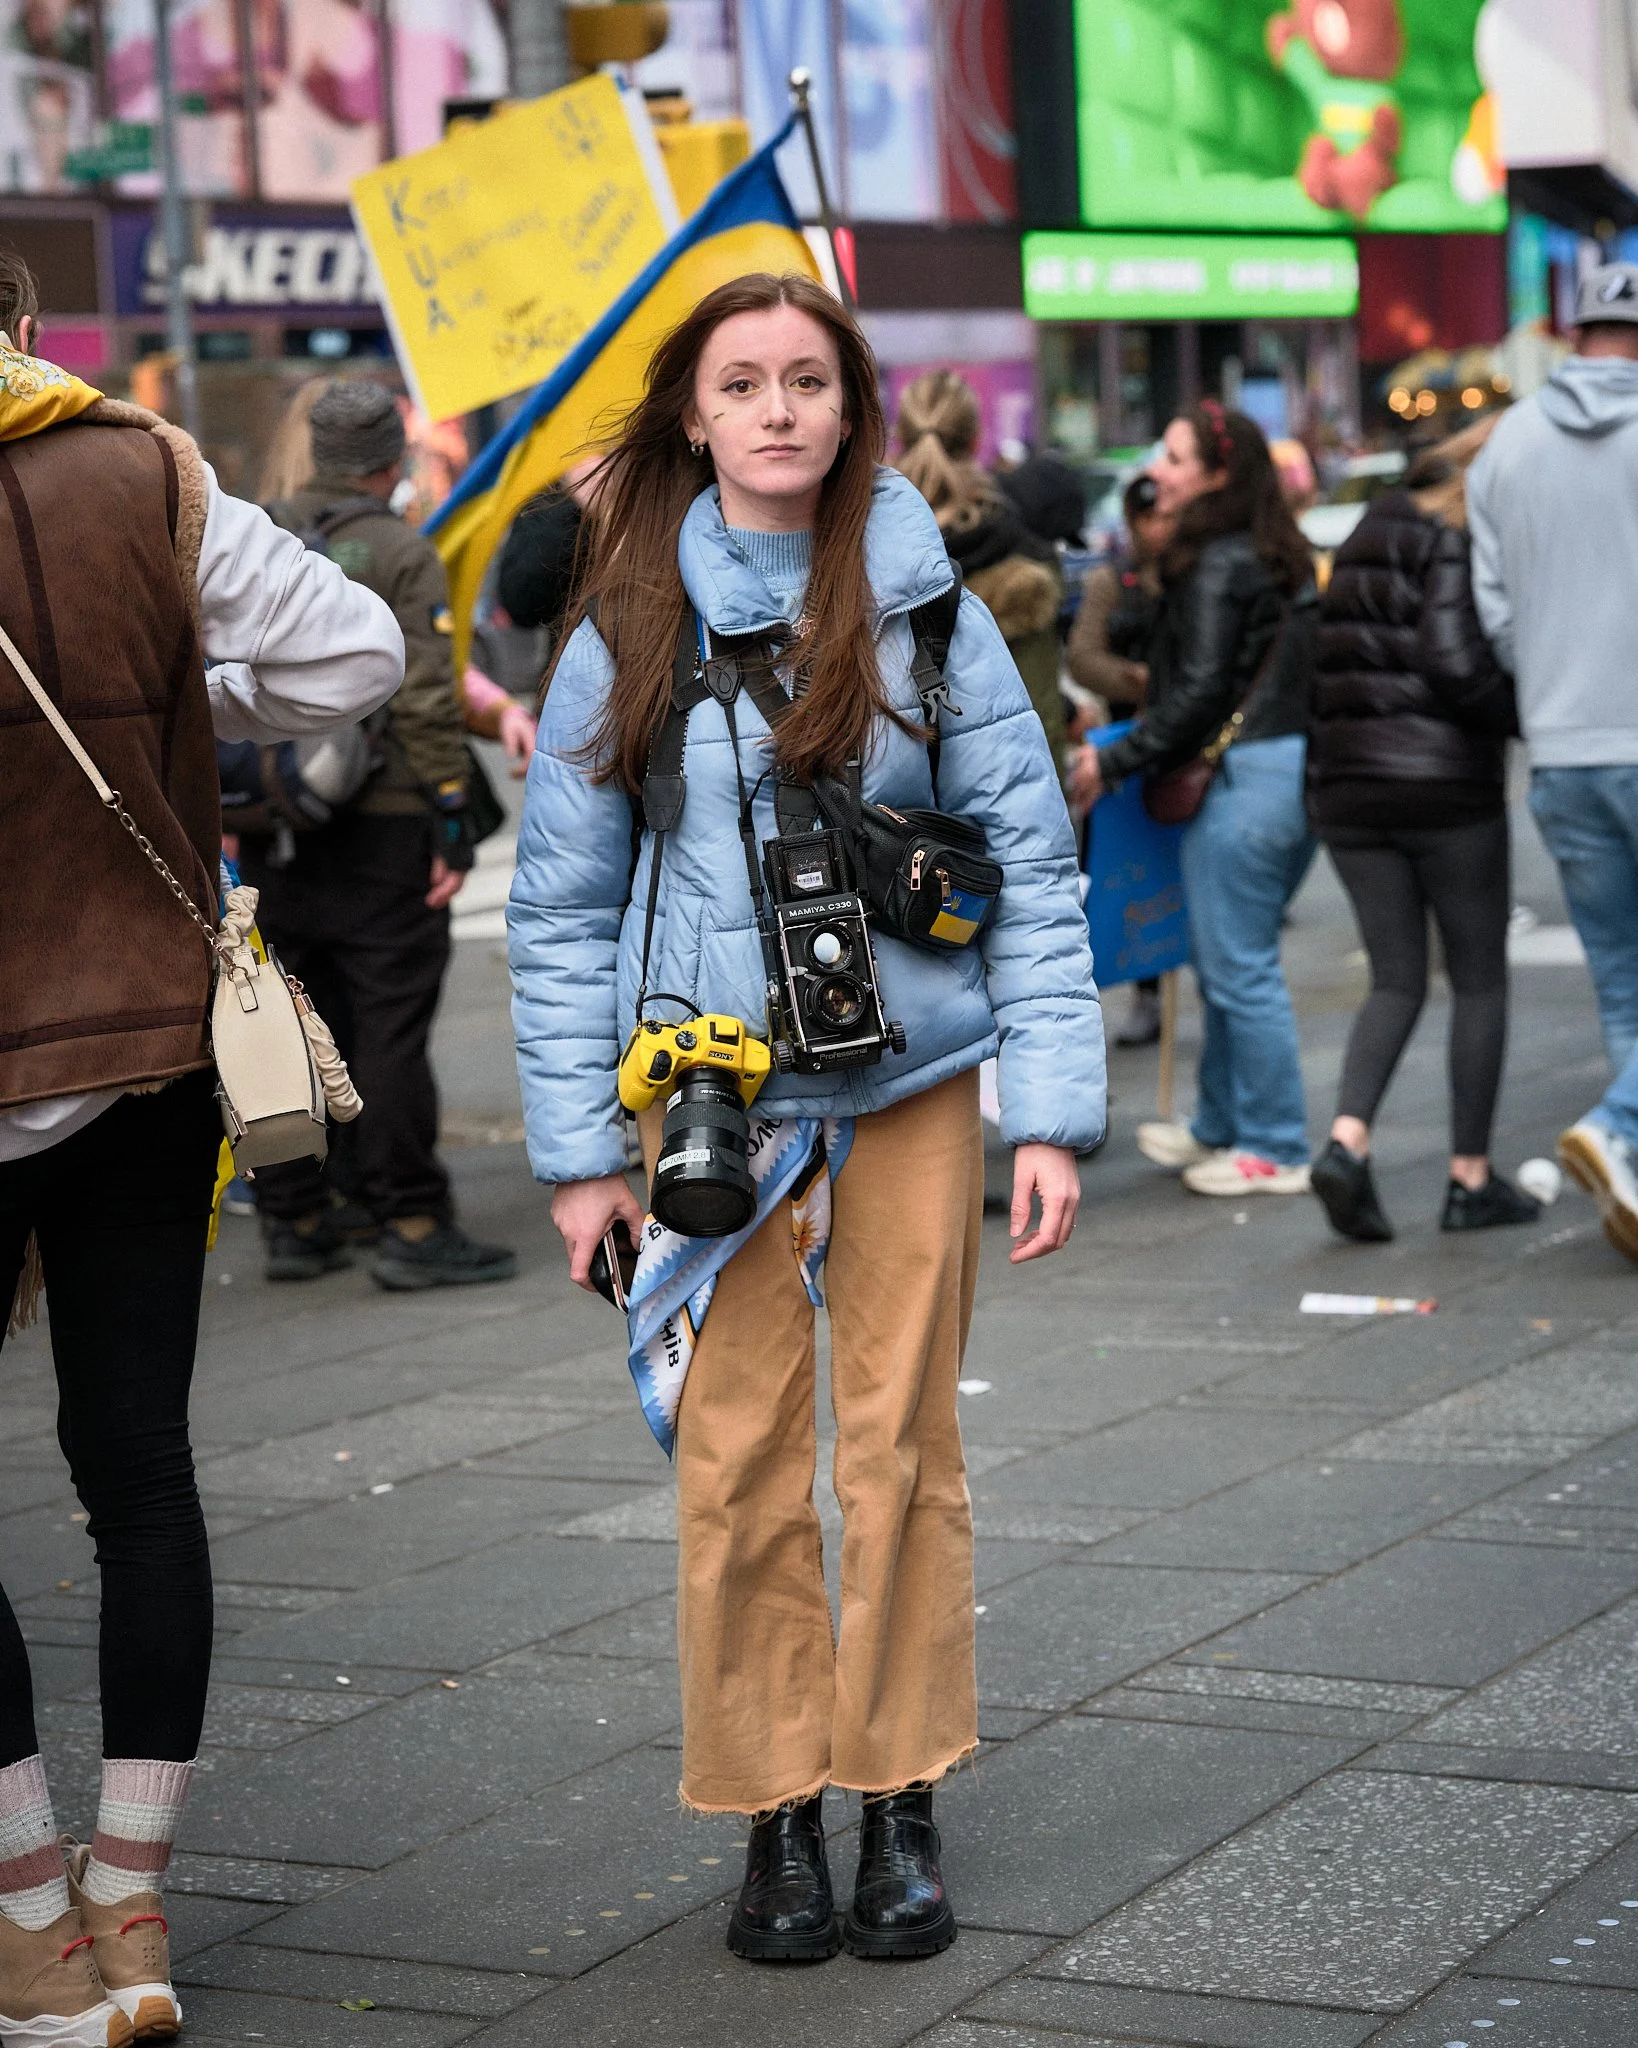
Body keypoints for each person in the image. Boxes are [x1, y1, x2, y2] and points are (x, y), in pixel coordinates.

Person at [509, 272, 1103, 1964]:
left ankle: (897, 1791)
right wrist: (570, 1158)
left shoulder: (931, 609)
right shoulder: (623, 621)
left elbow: (1032, 875)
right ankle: (773, 1806)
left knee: (901, 1447)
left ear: (851, 408)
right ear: (690, 415)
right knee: (734, 1456)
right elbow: (558, 910)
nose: (776, 408)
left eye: (806, 380)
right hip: (709, 1107)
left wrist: (1048, 1112)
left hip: (912, 1090)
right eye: (741, 382)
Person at [0, 255, 402, 2046]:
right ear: (21, 327)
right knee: (137, 1472)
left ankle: (26, 1930)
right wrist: (179, 706)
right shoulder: (140, 467)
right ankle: (133, 1900)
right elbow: (358, 656)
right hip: (147, 1052)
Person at [245, 380, 517, 1289]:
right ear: (390, 461)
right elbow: (427, 696)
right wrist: (449, 811)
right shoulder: (404, 550)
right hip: (388, 819)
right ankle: (409, 1218)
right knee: (390, 1025)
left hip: (281, 818)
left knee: (295, 1024)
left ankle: (299, 1215)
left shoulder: (262, 532)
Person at [1069, 400, 1318, 1196]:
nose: (1156, 471)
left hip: (1245, 773)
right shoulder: (1242, 552)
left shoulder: (1220, 563)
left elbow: (1198, 690)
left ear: (1218, 475)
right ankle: (1219, 1124)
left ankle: (1276, 1144)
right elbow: (1159, 647)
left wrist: (1113, 765)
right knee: (1224, 954)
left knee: (1238, 964)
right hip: (1273, 767)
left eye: (1175, 460)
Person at [1307, 418, 1538, 1240]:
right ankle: (1470, 1180)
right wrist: (1525, 715)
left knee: (1396, 978)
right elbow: (1452, 660)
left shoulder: (1373, 523)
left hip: (1350, 792)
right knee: (1478, 980)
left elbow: (1323, 659)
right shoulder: (1452, 534)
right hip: (1444, 789)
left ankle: (1347, 1143)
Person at [1468, 261, 1638, 1267]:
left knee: (1620, 978)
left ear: (1580, 334)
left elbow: (1493, 613)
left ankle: (1630, 1169)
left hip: (1565, 751)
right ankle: (1621, 1123)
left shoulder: (1509, 444)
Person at [893, 369, 1067, 765]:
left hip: (891, 815)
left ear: (900, 439)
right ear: (975, 441)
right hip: (997, 795)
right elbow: (1040, 718)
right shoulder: (1023, 562)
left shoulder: (863, 547)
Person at [1067, 473, 1175, 1048]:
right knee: (1129, 876)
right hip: (1126, 742)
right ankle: (1147, 988)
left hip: (1189, 741)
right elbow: (1084, 657)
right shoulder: (1113, 581)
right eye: (1151, 517)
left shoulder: (1196, 573)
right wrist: (1141, 682)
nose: (1163, 528)